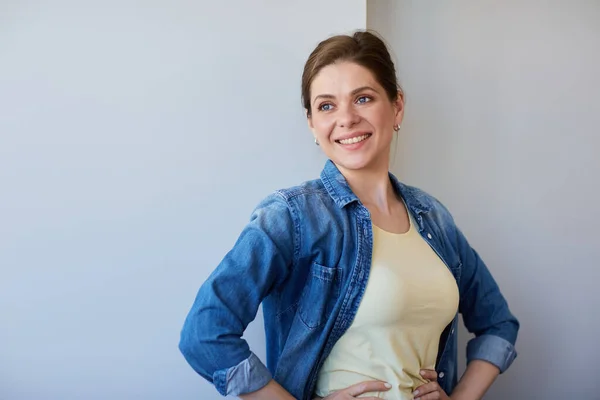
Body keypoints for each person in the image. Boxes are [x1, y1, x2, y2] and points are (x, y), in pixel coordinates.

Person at [179, 30, 519, 400]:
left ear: (397, 107)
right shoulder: (292, 217)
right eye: (326, 106)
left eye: (363, 98)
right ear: (312, 123)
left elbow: (498, 324)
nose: (346, 119)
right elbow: (204, 333)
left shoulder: (432, 217)